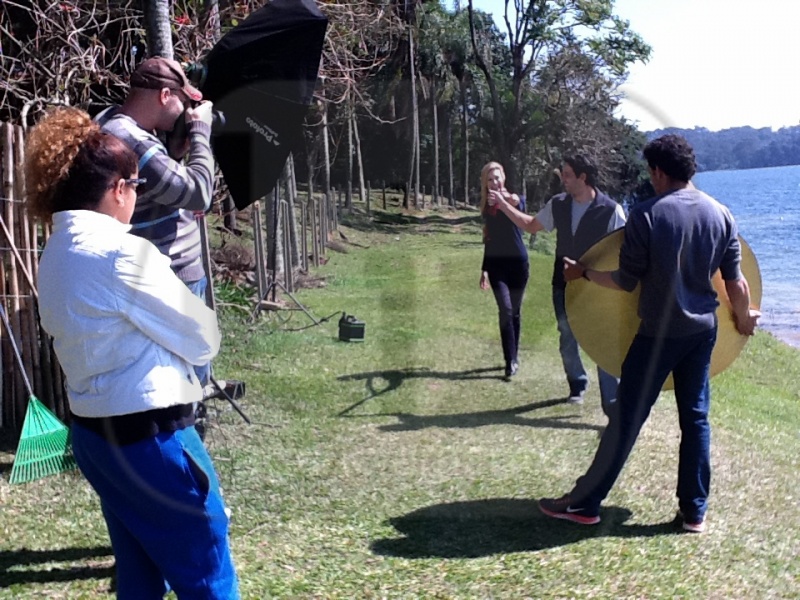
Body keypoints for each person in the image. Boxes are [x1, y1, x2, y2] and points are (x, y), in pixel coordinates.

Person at [26, 107, 239, 597]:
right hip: (152, 440)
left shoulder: (55, 251)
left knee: (139, 572)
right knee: (207, 572)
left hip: (96, 440)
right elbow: (203, 336)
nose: (136, 197)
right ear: (118, 188)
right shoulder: (123, 253)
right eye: (137, 186)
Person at [537, 134, 760, 533]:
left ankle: (585, 503)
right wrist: (743, 319)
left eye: (650, 172)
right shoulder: (721, 214)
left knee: (626, 418)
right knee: (695, 419)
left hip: (658, 333)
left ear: (658, 172)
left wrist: (583, 273)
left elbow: (625, 280)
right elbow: (736, 285)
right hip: (702, 333)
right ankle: (694, 512)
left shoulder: (646, 213)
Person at [98, 56, 215, 386]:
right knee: (188, 373)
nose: (183, 108)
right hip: (172, 271)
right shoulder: (133, 140)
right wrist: (200, 131)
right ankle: (189, 427)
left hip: (154, 268)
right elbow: (198, 193)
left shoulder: (112, 121)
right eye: (181, 99)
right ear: (165, 95)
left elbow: (158, 186)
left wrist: (175, 152)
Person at [492, 155, 625, 414]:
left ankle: (613, 405)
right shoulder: (558, 205)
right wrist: (503, 205)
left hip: (597, 289)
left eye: (566, 174)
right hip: (562, 285)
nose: (562, 179)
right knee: (567, 338)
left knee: (603, 341)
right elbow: (531, 226)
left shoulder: (611, 210)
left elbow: (625, 250)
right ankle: (577, 385)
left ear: (582, 178)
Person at [479, 161, 529, 378]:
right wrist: (484, 270)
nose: (494, 182)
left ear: (504, 178)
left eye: (497, 177)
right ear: (485, 183)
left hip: (518, 264)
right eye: (490, 179)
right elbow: (488, 238)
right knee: (506, 310)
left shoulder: (515, 199)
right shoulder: (486, 207)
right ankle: (509, 362)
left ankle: (514, 356)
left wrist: (504, 200)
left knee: (515, 313)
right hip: (497, 266)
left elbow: (518, 204)